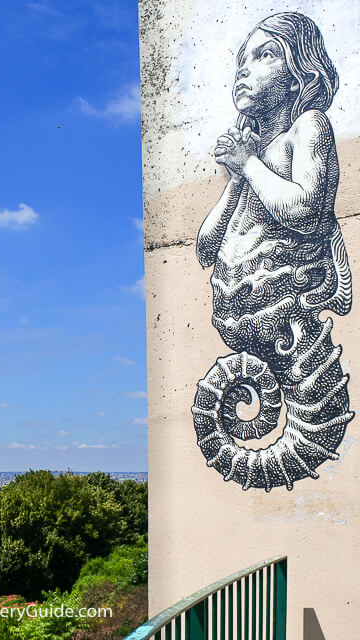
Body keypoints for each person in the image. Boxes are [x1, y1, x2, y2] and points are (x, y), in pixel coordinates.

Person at [190, 13, 353, 491]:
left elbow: (306, 208)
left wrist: (249, 164)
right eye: (242, 58)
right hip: (254, 337)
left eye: (264, 55)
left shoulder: (309, 127)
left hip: (290, 327)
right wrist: (240, 172)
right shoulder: (256, 157)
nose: (245, 69)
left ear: (301, 68)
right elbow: (205, 246)